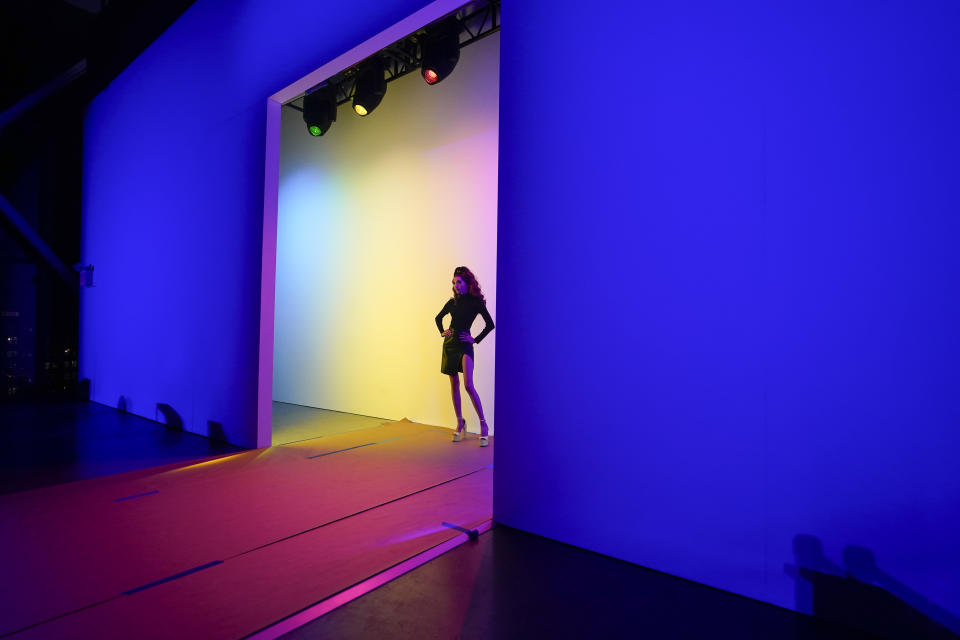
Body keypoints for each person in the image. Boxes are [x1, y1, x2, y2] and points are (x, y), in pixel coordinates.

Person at [434, 266, 495, 447]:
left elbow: (490, 324)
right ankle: (460, 422)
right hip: (450, 344)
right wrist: (443, 332)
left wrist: (474, 340)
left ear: (467, 282)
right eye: (453, 283)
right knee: (454, 384)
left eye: (458, 282)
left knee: (468, 384)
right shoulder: (452, 302)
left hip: (465, 343)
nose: (455, 286)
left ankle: (484, 425)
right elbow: (438, 318)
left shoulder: (476, 302)